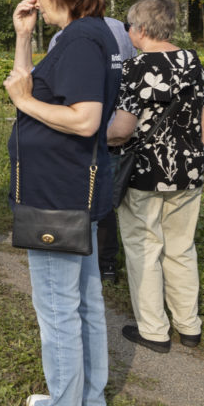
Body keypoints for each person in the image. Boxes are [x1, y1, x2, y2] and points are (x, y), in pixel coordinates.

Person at [0, 0, 121, 406]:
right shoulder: (86, 36)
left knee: (57, 310)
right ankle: (85, 404)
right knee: (84, 302)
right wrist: (24, 37)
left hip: (57, 195)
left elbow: (86, 119)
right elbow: (35, 87)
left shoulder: (81, 40)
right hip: (75, 190)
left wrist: (22, 101)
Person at [107, 0, 204, 353]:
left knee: (144, 248)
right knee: (182, 248)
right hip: (189, 170)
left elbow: (122, 129)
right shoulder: (192, 62)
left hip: (145, 173)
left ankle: (154, 330)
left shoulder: (135, 68)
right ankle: (189, 326)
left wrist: (92, 136)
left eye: (128, 25)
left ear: (141, 29)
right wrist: (197, 162)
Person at [51, 17, 137, 281]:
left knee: (82, 195)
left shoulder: (66, 36)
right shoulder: (120, 29)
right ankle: (107, 263)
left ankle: (78, 255)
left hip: (83, 129)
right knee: (108, 198)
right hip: (117, 123)